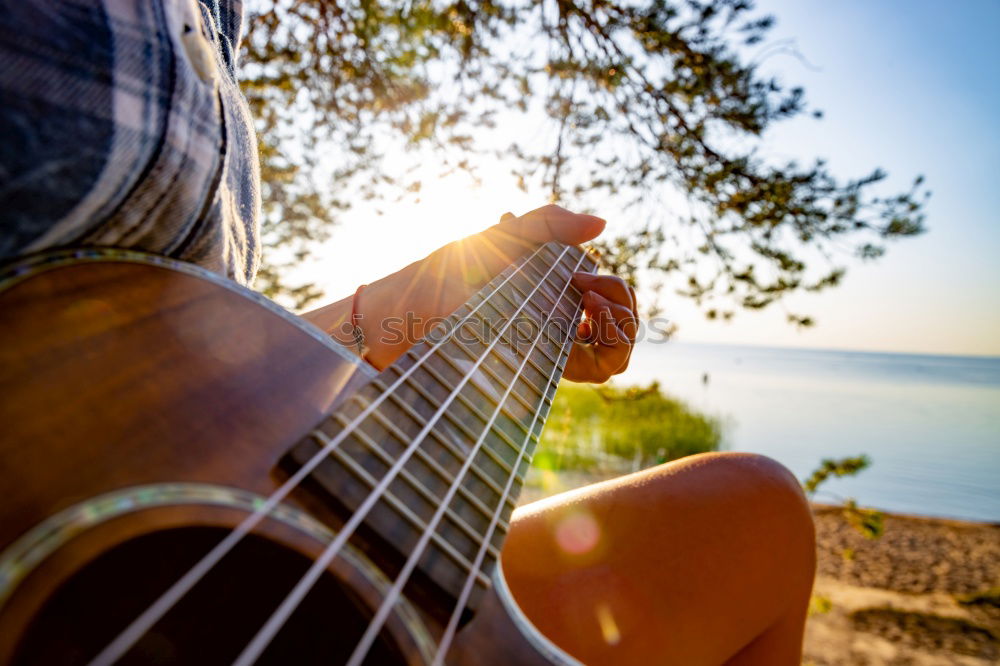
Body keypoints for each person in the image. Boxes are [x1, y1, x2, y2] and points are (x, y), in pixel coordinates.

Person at [0, 1, 815, 663]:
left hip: (183, 515)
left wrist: (411, 303)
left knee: (761, 513)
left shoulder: (215, 15)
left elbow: (169, 357)